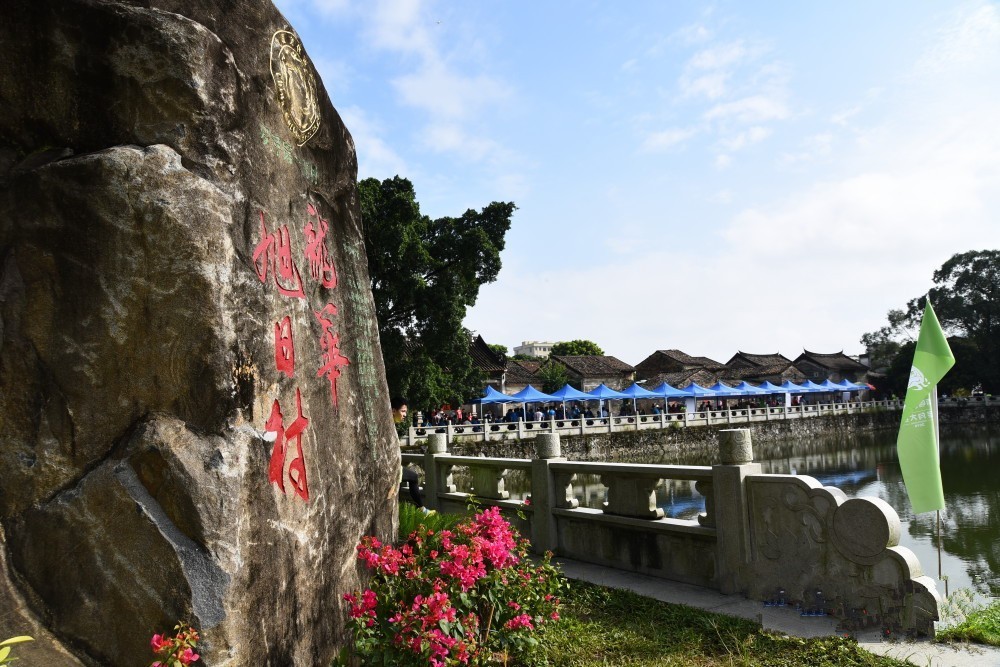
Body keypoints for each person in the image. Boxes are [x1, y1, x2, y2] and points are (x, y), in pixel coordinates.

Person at [392, 397, 424, 507]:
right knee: (413, 477)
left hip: (394, 467)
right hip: (391, 469)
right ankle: (421, 508)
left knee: (412, 477)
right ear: (393, 410)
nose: (405, 415)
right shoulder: (387, 426)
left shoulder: (390, 425)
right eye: (403, 411)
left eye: (406, 411)